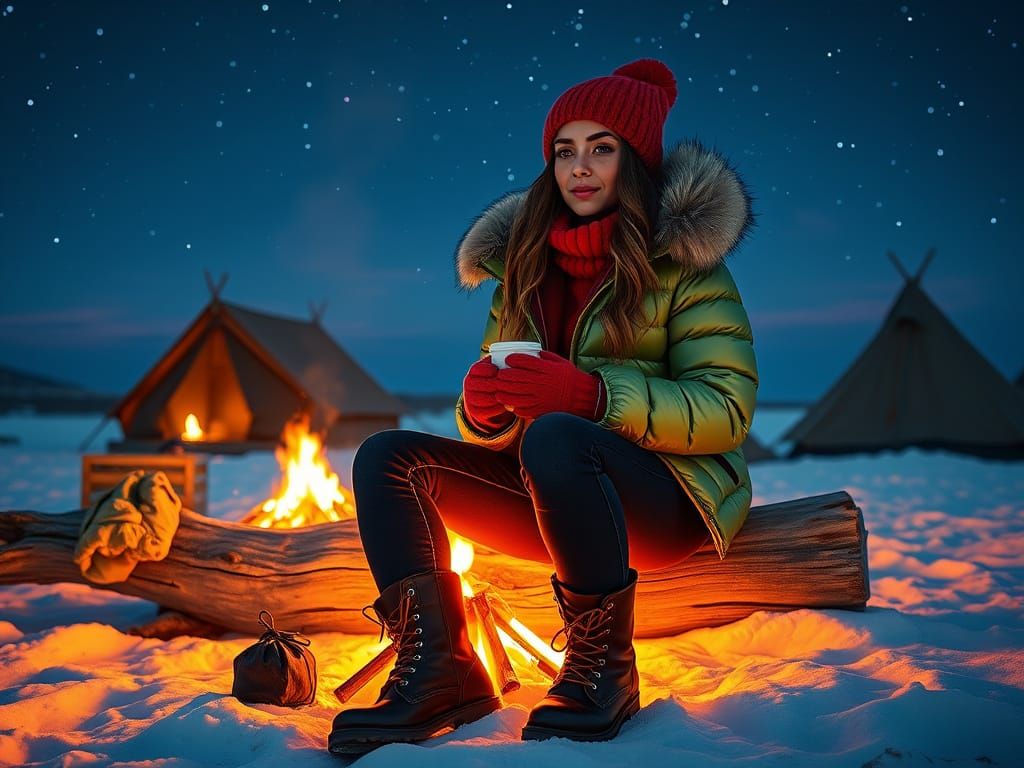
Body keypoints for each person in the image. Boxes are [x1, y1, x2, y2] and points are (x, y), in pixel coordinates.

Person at [327, 58, 758, 757]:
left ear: (636, 161)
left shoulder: (687, 263)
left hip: (668, 499)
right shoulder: (523, 262)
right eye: (565, 151)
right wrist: (484, 412)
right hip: (552, 487)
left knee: (559, 434)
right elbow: (504, 417)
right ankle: (442, 670)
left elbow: (727, 408)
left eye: (601, 148)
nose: (579, 168)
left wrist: (593, 397)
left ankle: (602, 674)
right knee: (389, 459)